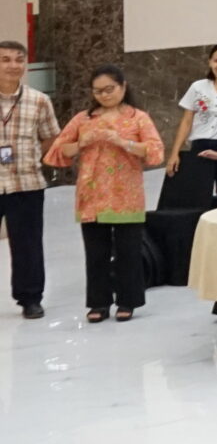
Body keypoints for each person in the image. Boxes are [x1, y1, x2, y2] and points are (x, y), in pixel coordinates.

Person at [42, 66, 162, 323]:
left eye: (110, 89)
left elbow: (155, 152)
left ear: (123, 87)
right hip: (92, 195)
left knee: (128, 252)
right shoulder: (83, 119)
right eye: (98, 91)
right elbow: (57, 152)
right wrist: (81, 143)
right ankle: (98, 302)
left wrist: (123, 142)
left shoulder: (137, 117)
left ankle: (128, 301)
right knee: (95, 252)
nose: (104, 95)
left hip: (126, 195)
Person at [168, 44, 217, 206]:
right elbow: (186, 120)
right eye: (216, 60)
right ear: (209, 62)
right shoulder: (198, 87)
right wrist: (174, 153)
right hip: (200, 146)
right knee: (197, 196)